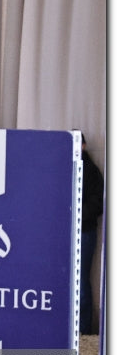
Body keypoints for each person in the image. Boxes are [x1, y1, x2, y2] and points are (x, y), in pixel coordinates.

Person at [78, 132, 104, 335]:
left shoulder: (92, 171)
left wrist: (75, 214)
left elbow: (97, 206)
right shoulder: (60, 168)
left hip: (84, 232)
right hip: (62, 234)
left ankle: (84, 332)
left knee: (82, 282)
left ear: (84, 146)